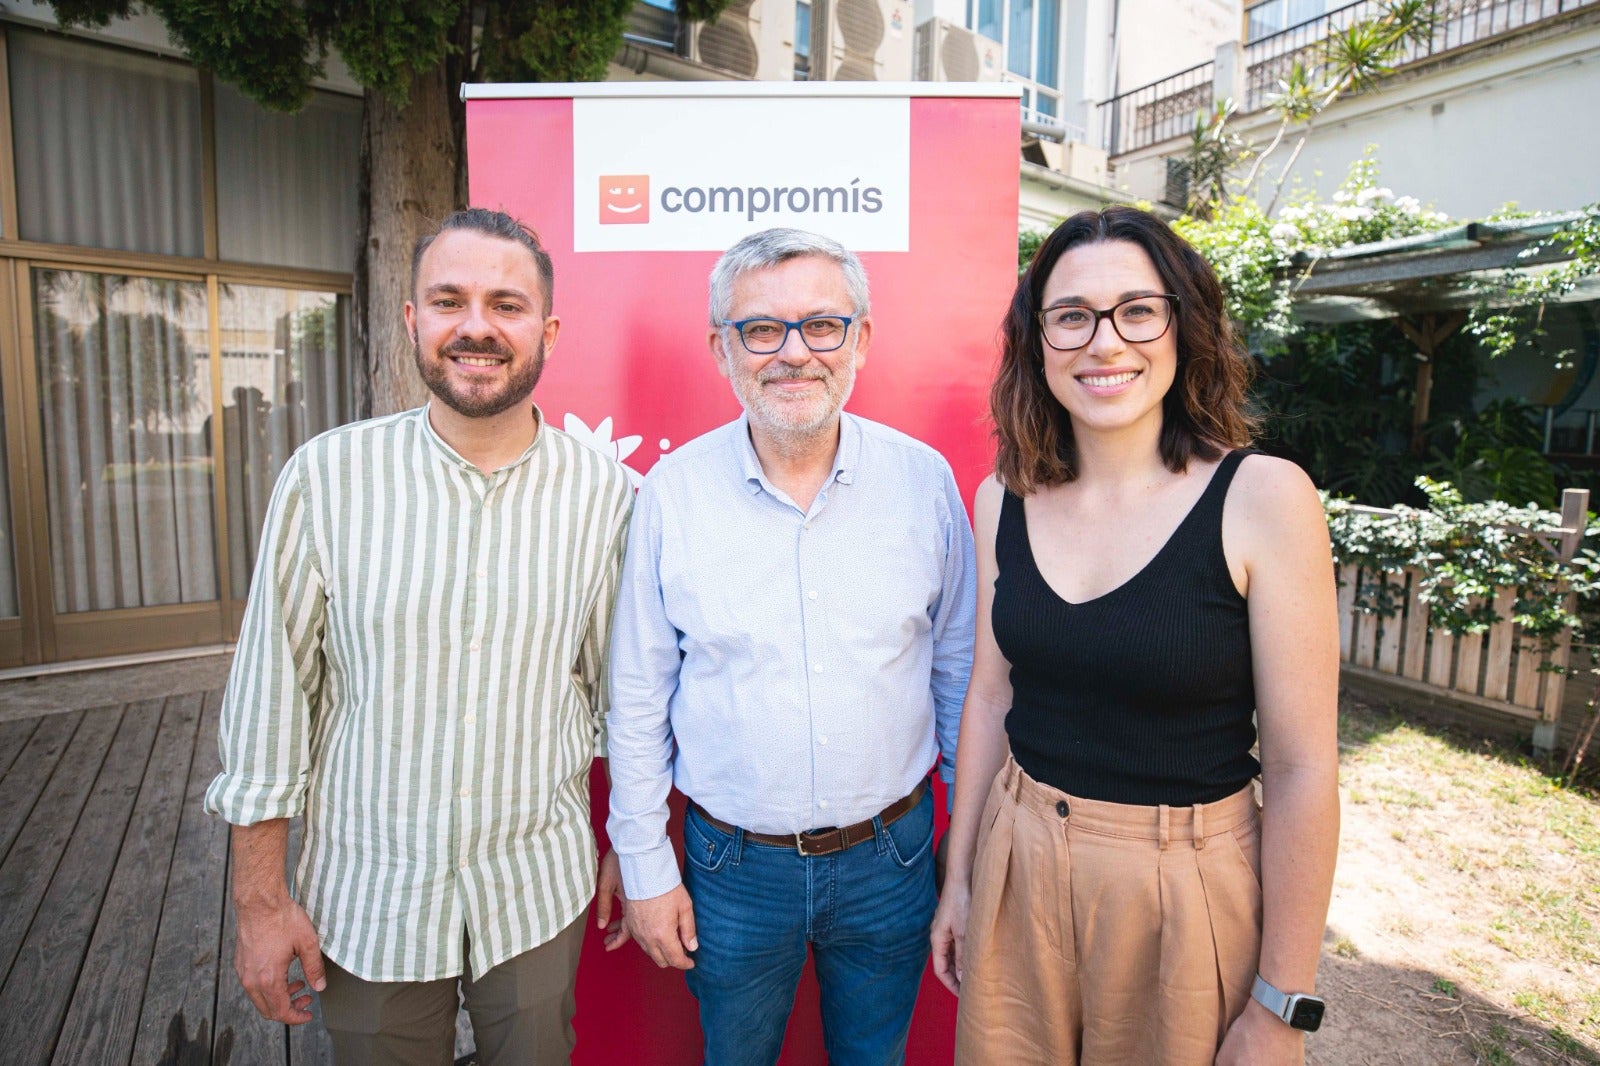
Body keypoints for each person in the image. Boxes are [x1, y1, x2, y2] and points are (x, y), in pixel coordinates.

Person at [205, 208, 634, 1065]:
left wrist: (627, 839)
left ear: (547, 331)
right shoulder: (326, 479)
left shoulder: (607, 494)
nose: (477, 326)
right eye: (449, 300)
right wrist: (260, 903)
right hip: (371, 894)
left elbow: (619, 694)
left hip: (534, 884)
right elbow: (271, 704)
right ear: (412, 320)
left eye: (506, 305)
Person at [929, 205, 1339, 1065]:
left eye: (1136, 310)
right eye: (1071, 316)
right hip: (1018, 862)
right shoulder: (1001, 497)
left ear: (1182, 325)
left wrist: (1279, 1003)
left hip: (1183, 891)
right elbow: (991, 696)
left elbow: (1303, 768)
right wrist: (960, 878)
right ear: (1038, 340)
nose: (1103, 342)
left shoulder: (1265, 498)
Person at [603, 227, 977, 1065]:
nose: (793, 353)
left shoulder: (925, 483)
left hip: (896, 855)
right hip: (732, 868)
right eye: (761, 329)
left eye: (822, 325)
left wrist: (969, 851)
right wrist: (645, 863)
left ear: (863, 339)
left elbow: (959, 675)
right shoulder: (673, 494)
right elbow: (636, 697)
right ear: (721, 349)